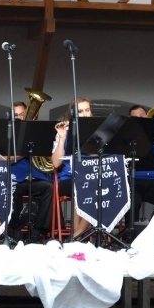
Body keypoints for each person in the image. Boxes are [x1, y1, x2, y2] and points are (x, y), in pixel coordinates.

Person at [50, 98, 94, 238]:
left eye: (87, 110)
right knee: (81, 186)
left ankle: (76, 234)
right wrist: (62, 138)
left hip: (91, 177)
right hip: (69, 178)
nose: (85, 114)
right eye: (80, 111)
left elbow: (97, 156)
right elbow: (56, 164)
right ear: (73, 114)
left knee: (95, 185)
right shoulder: (65, 130)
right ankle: (79, 234)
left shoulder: (97, 131)